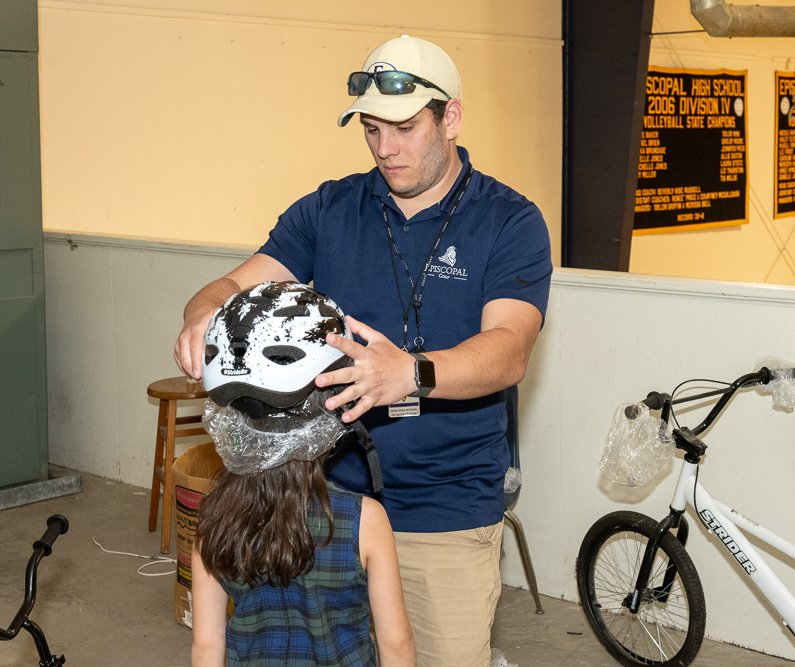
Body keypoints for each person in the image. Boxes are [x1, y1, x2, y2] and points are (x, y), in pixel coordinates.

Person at [175, 34, 552, 666]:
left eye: (403, 128)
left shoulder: (509, 221)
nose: (385, 148)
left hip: (447, 506)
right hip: (325, 505)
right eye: (371, 129)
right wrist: (199, 314)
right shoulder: (330, 208)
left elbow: (509, 349)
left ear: (450, 117)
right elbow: (239, 282)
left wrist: (410, 373)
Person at [190, 281, 415, 666]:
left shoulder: (213, 519)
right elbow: (395, 645)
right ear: (330, 416)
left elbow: (208, 648)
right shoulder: (364, 521)